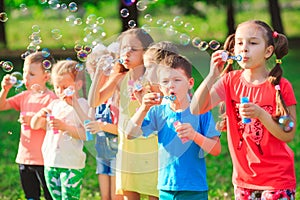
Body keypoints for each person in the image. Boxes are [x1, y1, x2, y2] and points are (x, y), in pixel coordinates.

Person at [190, 20, 297, 199]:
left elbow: (289, 133)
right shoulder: (230, 81)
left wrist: (261, 114)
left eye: (253, 43)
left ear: (268, 51)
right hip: (243, 181)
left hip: (277, 179)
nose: (244, 48)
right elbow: (196, 108)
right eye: (239, 42)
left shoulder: (280, 86)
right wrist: (212, 75)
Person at [125, 54, 221, 200]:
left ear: (190, 83)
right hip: (166, 188)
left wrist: (195, 135)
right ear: (160, 87)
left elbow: (216, 149)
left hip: (194, 189)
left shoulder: (202, 112)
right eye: (165, 81)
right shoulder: (158, 111)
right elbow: (130, 134)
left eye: (177, 80)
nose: (171, 85)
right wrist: (143, 108)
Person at [88, 28, 159, 199]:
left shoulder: (154, 79)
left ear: (146, 52)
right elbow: (94, 102)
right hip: (127, 146)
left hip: (151, 145)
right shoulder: (120, 78)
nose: (127, 53)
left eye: (133, 49)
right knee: (129, 193)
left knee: (154, 193)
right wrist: (99, 73)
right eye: (123, 48)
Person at [0, 51, 56, 200]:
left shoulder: (51, 99)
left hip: (45, 159)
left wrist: (34, 119)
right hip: (24, 158)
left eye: (31, 74)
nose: (25, 77)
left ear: (46, 77)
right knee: (31, 195)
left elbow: (54, 126)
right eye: (24, 72)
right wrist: (4, 90)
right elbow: (2, 105)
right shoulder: (25, 96)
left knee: (49, 195)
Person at [31, 60, 89, 200]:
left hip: (71, 164)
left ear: (78, 85)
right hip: (51, 162)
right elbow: (34, 125)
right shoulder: (54, 104)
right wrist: (39, 115)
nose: (60, 91)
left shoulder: (82, 105)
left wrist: (65, 127)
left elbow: (87, 134)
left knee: (69, 198)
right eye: (57, 87)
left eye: (65, 86)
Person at [85, 43, 121, 200]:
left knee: (116, 195)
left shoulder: (117, 96)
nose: (97, 77)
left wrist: (101, 125)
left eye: (102, 72)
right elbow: (89, 117)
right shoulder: (98, 99)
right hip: (102, 152)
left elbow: (122, 129)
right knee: (105, 196)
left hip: (118, 152)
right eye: (93, 74)